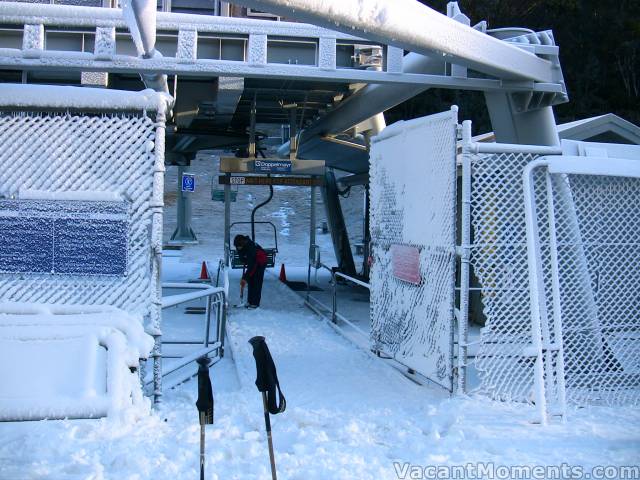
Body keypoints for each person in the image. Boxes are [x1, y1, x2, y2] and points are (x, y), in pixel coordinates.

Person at [234, 234, 268, 309]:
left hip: (260, 262)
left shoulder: (251, 247)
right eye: (237, 247)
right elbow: (242, 256)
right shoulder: (242, 245)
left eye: (239, 246)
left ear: (242, 243)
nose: (238, 248)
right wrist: (242, 255)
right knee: (250, 281)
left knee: (256, 282)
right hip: (253, 261)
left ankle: (255, 303)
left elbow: (252, 266)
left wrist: (244, 277)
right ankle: (249, 301)